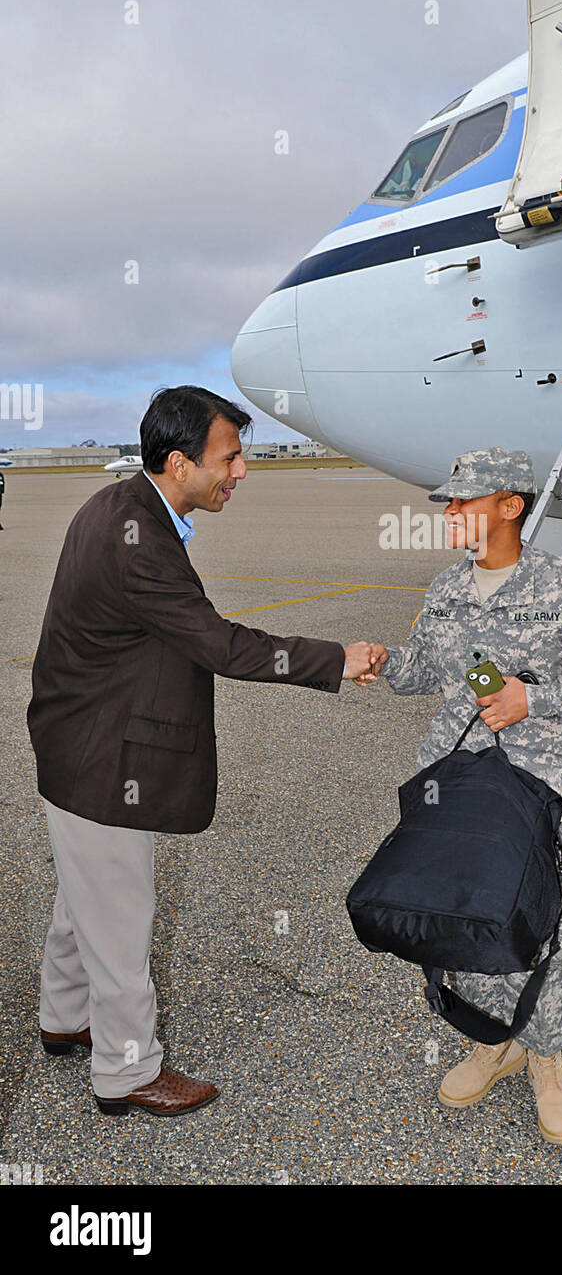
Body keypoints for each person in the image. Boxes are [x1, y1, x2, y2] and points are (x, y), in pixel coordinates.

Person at [27, 385, 376, 1116]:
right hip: (102, 755)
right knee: (120, 915)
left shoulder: (122, 506)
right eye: (232, 457)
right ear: (181, 462)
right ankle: (126, 1073)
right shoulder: (139, 542)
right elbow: (219, 644)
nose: (241, 471)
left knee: (83, 898)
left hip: (74, 741)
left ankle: (64, 1018)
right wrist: (334, 659)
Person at [365, 447, 562, 1145]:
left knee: (545, 920)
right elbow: (425, 669)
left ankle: (546, 1057)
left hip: (538, 785)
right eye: (448, 503)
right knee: (460, 910)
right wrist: (382, 664)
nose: (451, 513)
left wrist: (537, 699)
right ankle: (497, 1040)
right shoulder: (446, 590)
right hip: (453, 778)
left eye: (464, 501)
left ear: (511, 505)